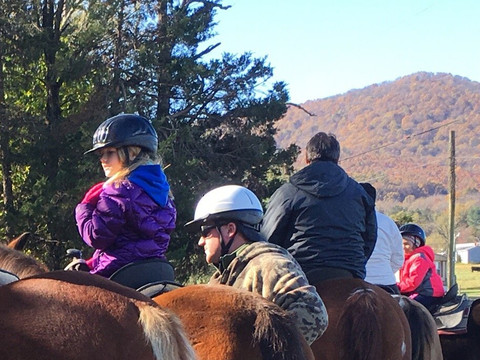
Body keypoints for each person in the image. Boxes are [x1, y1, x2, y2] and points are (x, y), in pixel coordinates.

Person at [189, 184, 328, 345]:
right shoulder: (230, 271)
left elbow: (313, 311)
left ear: (230, 229)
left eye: (206, 232)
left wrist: (263, 357)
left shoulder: (269, 264)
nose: (201, 241)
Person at [73, 113, 177, 288]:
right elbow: (132, 242)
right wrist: (92, 262)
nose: (103, 160)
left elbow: (96, 237)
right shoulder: (164, 192)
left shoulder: (118, 190)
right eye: (101, 154)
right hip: (156, 269)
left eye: (110, 152)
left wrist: (84, 207)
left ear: (132, 152)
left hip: (119, 272)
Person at [261, 132, 377, 284]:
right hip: (350, 271)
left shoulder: (288, 192)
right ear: (337, 159)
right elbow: (370, 237)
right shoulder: (359, 193)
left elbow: (268, 236)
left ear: (307, 158)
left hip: (299, 272)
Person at [360, 182, 404, 294]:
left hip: (359, 281)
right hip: (386, 281)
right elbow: (398, 258)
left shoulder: (348, 222)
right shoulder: (388, 222)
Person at [398, 223, 445, 310]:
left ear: (417, 244)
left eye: (406, 244)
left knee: (405, 309)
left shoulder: (419, 258)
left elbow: (413, 283)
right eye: (401, 244)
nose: (403, 247)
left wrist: (397, 287)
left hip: (428, 294)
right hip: (419, 292)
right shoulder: (406, 259)